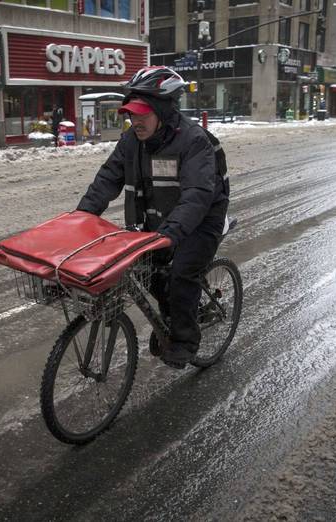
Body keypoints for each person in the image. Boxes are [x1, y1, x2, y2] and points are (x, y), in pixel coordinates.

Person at [76, 66, 229, 369]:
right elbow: (108, 178)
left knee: (182, 273)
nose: (135, 121)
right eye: (131, 115)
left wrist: (171, 233)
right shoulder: (132, 140)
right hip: (159, 220)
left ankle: (185, 340)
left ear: (162, 111)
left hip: (200, 219)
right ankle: (171, 316)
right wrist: (83, 214)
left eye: (142, 114)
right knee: (150, 272)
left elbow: (197, 194)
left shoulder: (193, 141)